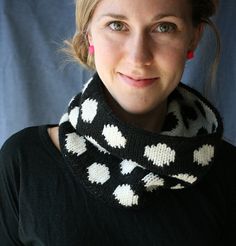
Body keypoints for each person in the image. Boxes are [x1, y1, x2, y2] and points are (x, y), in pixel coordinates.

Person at [0, 0, 235, 245]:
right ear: (89, 33)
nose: (138, 57)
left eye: (164, 27)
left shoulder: (227, 173)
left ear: (193, 38)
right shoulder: (23, 162)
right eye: (116, 25)